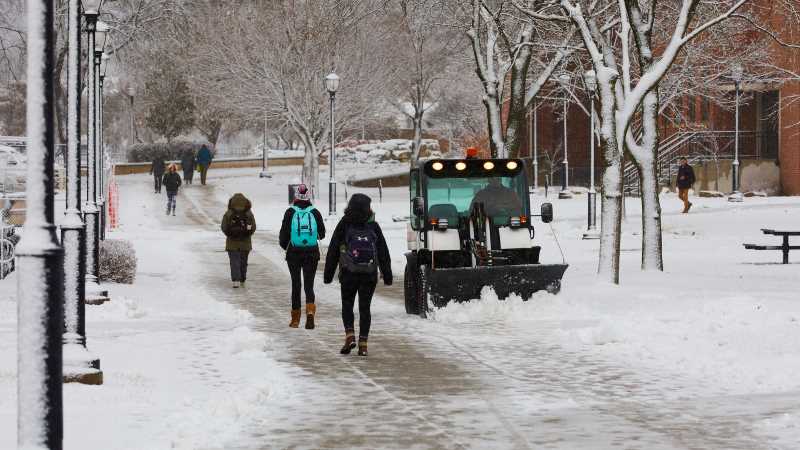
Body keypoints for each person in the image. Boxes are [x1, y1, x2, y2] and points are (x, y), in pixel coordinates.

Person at [324, 193, 391, 357]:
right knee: (365, 308)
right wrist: (387, 274)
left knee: (347, 304)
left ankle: (349, 336)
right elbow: (383, 251)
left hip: (348, 272)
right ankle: (363, 344)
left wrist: (328, 274)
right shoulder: (373, 226)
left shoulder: (345, 224)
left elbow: (333, 249)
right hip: (369, 274)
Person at [279, 184, 326, 329]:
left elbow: (283, 236)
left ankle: (295, 319)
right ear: (308, 196)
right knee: (309, 284)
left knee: (296, 284)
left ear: (296, 196)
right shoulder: (315, 212)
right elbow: (322, 234)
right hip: (311, 252)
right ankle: (310, 312)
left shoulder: (290, 212)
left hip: (294, 252)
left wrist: (288, 246)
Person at [221, 193, 256, 288]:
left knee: (234, 261)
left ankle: (236, 280)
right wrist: (247, 234)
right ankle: (242, 278)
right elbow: (253, 227)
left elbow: (223, 227)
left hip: (232, 242)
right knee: (243, 261)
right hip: (246, 242)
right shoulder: (248, 213)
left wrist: (229, 234)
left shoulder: (229, 213)